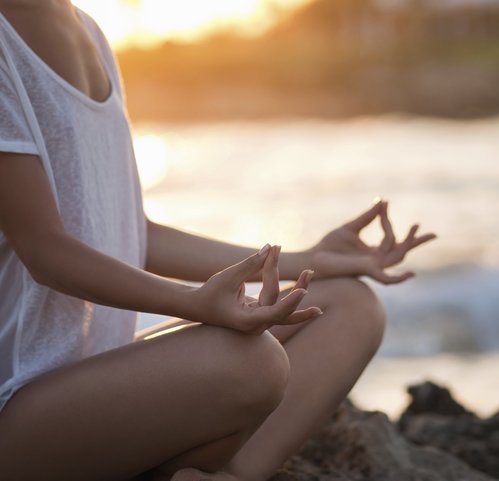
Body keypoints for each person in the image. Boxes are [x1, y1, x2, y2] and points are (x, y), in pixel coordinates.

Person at [0, 1, 436, 480]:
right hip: (19, 409)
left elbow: (133, 232)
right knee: (252, 365)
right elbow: (47, 252)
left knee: (348, 303)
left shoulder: (93, 35)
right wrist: (197, 303)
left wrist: (309, 260)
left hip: (98, 386)